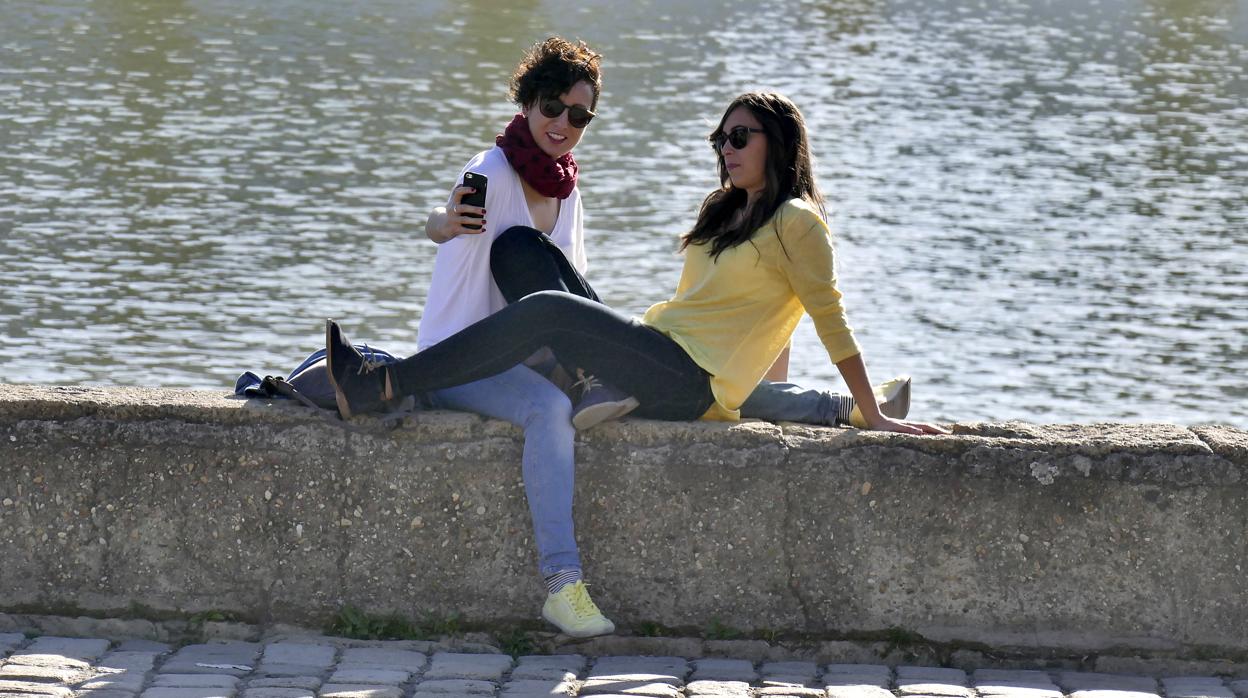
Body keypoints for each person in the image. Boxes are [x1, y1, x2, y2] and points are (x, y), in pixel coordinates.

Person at [334, 91, 946, 436]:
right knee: (517, 248)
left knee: (549, 311)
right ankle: (590, 381)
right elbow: (722, 313)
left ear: (778, 143)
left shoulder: (798, 222)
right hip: (659, 351)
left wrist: (876, 414)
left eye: (740, 138)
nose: (725, 150)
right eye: (720, 140)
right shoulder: (721, 211)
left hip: (688, 384)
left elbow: (825, 319)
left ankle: (384, 383)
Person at [408, 36, 620, 638]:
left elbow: (568, 293)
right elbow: (443, 219)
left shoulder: (567, 188)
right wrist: (443, 223)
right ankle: (562, 585)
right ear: (528, 102)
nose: (564, 124)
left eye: (580, 115)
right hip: (457, 358)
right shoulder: (491, 170)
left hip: (519, 356)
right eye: (553, 107)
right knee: (550, 410)